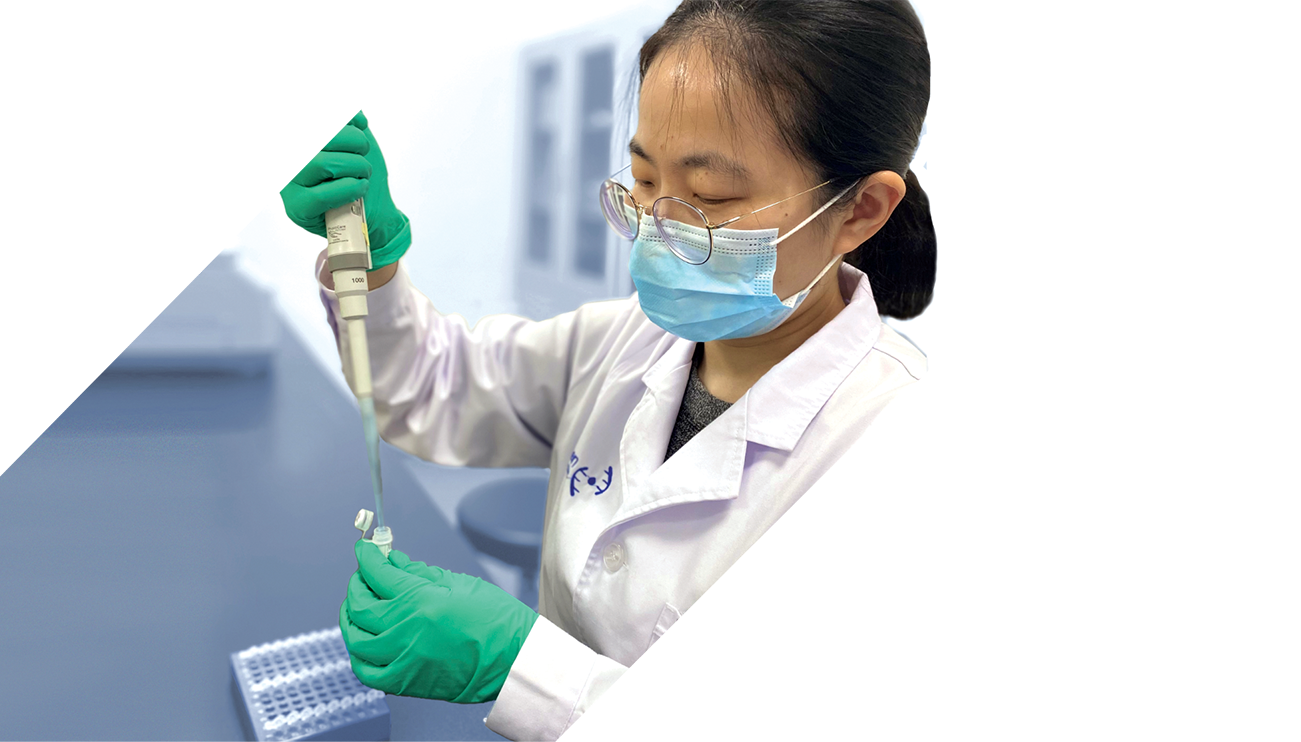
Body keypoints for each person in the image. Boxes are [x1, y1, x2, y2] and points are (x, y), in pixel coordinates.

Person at [279, 0, 934, 738]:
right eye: (646, 181)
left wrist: (519, 668)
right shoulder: (629, 341)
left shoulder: (901, 459)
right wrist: (371, 255)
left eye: (711, 197)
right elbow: (438, 389)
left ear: (862, 211)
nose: (656, 229)